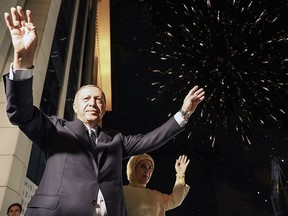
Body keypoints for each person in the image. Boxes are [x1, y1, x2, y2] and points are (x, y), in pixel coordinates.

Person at [3, 6, 205, 216]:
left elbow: (152, 139)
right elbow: (21, 113)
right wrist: (23, 63)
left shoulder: (116, 140)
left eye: (99, 99)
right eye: (86, 98)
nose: (93, 102)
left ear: (103, 109)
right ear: (75, 106)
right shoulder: (55, 129)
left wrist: (184, 112)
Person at [123, 154, 190, 216]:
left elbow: (175, 200)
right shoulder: (120, 192)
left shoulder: (156, 196)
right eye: (142, 166)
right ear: (132, 168)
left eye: (150, 167)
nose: (147, 171)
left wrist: (180, 175)